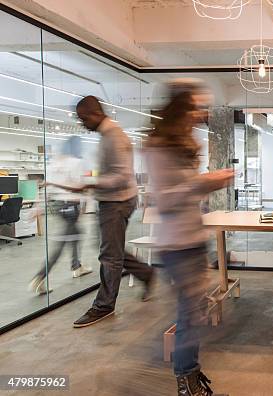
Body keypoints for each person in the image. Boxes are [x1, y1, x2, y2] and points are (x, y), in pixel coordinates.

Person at [146, 80, 233, 396]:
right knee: (190, 317)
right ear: (181, 110)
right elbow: (165, 201)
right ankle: (185, 380)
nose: (201, 114)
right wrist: (204, 183)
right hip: (177, 246)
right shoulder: (157, 148)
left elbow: (183, 194)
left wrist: (204, 183)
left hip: (193, 241)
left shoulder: (184, 146)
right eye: (196, 107)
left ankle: (190, 374)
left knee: (194, 314)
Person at [72, 96, 154, 328]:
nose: (82, 123)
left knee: (110, 255)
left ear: (96, 114)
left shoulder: (114, 137)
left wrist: (91, 183)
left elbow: (121, 176)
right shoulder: (107, 136)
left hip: (117, 202)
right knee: (112, 250)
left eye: (84, 118)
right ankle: (146, 273)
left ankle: (104, 305)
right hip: (113, 201)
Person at [29, 136, 92, 295]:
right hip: (71, 206)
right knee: (62, 243)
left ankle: (77, 266)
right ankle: (40, 277)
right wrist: (83, 206)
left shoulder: (53, 164)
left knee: (77, 233)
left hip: (58, 206)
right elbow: (80, 187)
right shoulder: (76, 162)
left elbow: (47, 189)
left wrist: (39, 207)